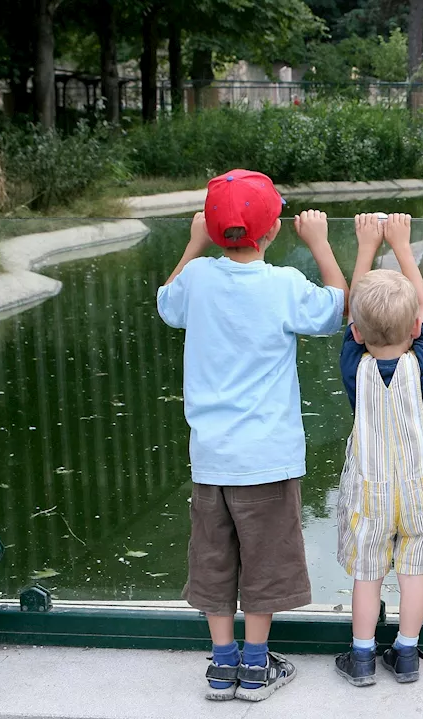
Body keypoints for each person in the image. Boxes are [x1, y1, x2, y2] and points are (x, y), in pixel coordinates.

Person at [156, 170, 348, 702]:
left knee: (215, 558)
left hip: (211, 457)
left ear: (212, 230)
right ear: (273, 230)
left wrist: (192, 245)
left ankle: (222, 667)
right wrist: (321, 243)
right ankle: (257, 666)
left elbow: (166, 304)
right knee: (265, 560)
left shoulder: (196, 280)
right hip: (267, 457)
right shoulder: (283, 285)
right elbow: (337, 307)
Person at [334, 213, 423, 687]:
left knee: (367, 575)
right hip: (419, 489)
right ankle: (405, 654)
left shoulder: (354, 365)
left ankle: (362, 658)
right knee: (414, 573)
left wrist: (365, 246)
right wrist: (403, 246)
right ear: (413, 330)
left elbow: (353, 315)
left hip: (369, 492)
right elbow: (422, 304)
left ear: (359, 336)